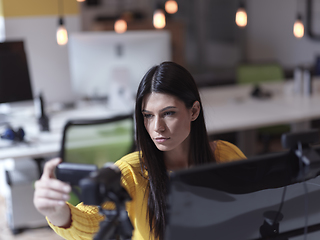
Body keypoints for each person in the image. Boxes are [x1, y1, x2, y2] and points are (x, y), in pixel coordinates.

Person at [33, 61, 246, 240]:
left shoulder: (226, 156)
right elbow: (92, 221)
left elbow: (252, 214)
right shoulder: (131, 173)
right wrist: (58, 212)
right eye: (148, 115)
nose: (157, 127)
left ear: (194, 111)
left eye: (168, 113)